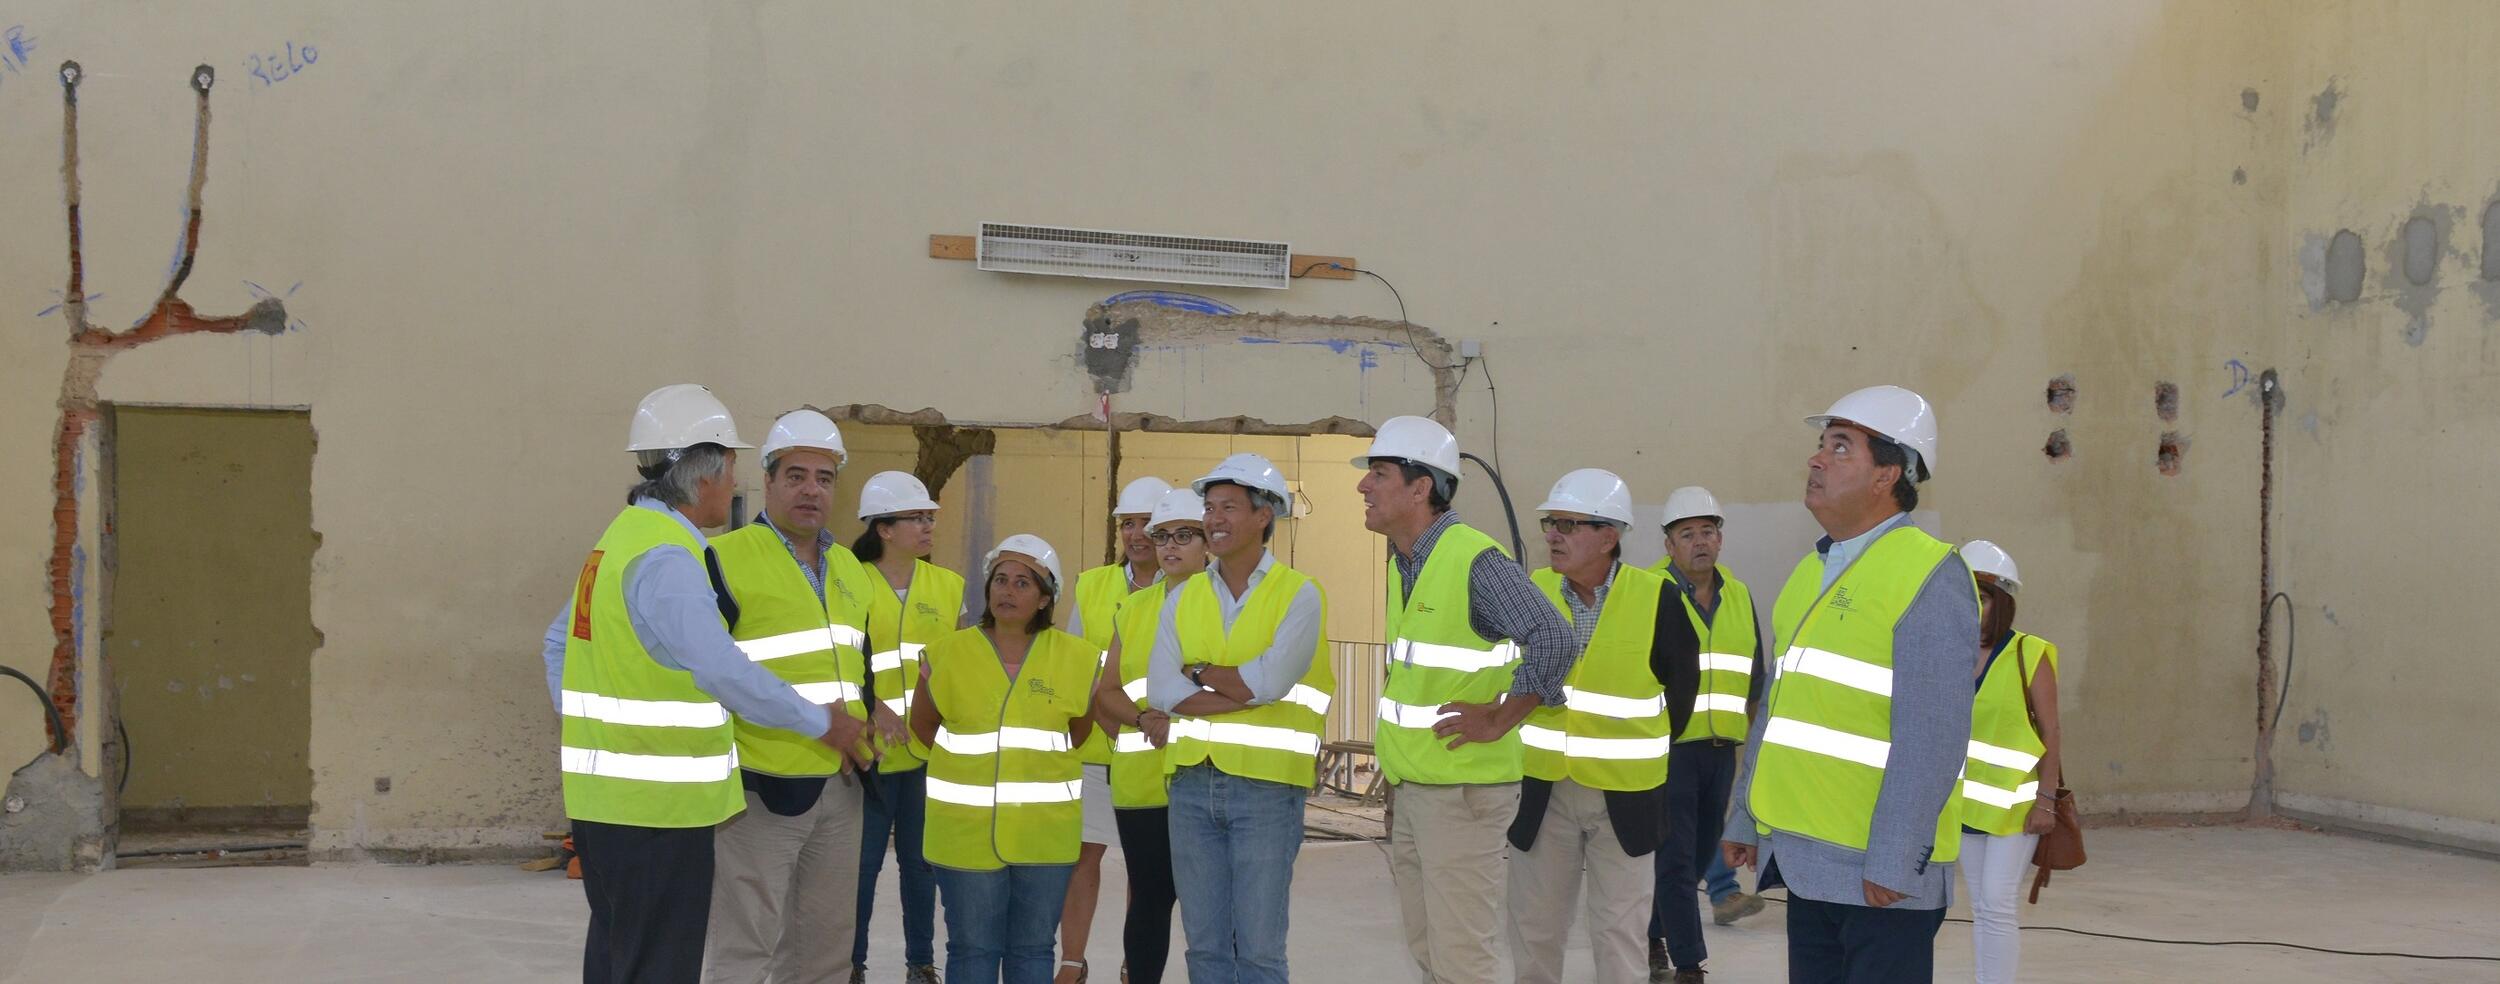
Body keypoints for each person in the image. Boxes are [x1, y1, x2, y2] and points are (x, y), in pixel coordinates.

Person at [544, 384, 867, 984]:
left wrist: (596, 734)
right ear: (710, 472)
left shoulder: (619, 540)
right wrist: (824, 721)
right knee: (659, 964)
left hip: (612, 804)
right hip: (659, 810)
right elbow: (721, 668)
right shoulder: (670, 558)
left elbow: (557, 643)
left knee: (619, 960)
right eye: (734, 466)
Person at [1722, 385, 1977, 984]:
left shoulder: (1929, 574)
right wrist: (1746, 817)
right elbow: (1777, 711)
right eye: (1820, 446)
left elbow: (1934, 737)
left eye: (1841, 448)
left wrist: (1895, 859)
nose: (1817, 460)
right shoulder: (1813, 568)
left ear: (1889, 473)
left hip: (1878, 874)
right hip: (1806, 858)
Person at [1353, 415, 1578, 984]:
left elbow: (1553, 636)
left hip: (1462, 793)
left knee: (1463, 960)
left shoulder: (1473, 559)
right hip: (1419, 788)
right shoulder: (1407, 565)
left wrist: (1503, 716)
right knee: (1431, 950)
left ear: (1420, 486)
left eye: (1378, 474)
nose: (1364, 487)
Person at [703, 409, 882, 983]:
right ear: (771, 481)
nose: (811, 490)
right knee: (747, 946)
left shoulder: (852, 569)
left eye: (824, 479)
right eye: (797, 475)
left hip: (841, 785)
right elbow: (706, 674)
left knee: (824, 951)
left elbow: (861, 673)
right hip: (758, 788)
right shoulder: (724, 559)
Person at [1505, 469, 1699, 984]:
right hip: (1542, 790)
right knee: (1534, 931)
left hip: (1627, 797)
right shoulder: (1531, 592)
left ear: (1609, 536)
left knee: (1620, 935)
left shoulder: (1658, 598)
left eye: (1568, 524)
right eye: (1551, 523)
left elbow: (1681, 695)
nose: (1552, 535)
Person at [1148, 454, 1333, 984]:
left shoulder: (1299, 594)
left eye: (1229, 507)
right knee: (1204, 949)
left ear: (1264, 516)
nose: (1214, 519)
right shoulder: (1182, 598)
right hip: (1189, 784)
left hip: (1267, 790)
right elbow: (1163, 690)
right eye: (1209, 508)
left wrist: (1200, 671)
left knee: (1258, 951)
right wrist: (1242, 690)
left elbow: (1270, 684)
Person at [914, 535, 1101, 984]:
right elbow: (923, 728)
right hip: (963, 836)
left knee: (1033, 951)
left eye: (1022, 583)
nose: (1007, 591)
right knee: (972, 951)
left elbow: (1078, 733)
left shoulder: (1078, 659)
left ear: (1044, 598)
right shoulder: (946, 654)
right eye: (1000, 580)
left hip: (1044, 836)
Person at [1644, 486, 1769, 983]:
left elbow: (1754, 676)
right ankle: (1690, 962)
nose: (1700, 542)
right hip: (1668, 747)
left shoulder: (1737, 594)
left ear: (1720, 539)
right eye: (1687, 534)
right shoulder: (1649, 591)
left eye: (1708, 532)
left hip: (1721, 752)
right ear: (1669, 544)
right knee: (1675, 857)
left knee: (1697, 857)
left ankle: (1651, 930)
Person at [850, 471, 963, 984]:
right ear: (884, 528)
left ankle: (921, 964)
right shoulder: (848, 582)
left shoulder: (947, 586)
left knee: (922, 868)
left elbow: (960, 662)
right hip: (866, 752)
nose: (927, 526)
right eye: (916, 518)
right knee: (862, 868)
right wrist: (872, 705)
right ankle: (850, 965)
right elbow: (836, 659)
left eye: (929, 518)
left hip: (926, 752)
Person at [1089, 487, 1204, 984]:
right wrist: (1143, 719)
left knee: (1209, 908)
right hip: (1140, 781)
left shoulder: (1227, 603)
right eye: (1161, 536)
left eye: (1183, 535)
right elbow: (1107, 692)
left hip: (1205, 775)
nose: (1168, 545)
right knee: (1149, 902)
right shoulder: (1133, 610)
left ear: (1208, 542)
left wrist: (1178, 718)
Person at [1059, 476, 1171, 983]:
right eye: (1128, 523)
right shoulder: (1094, 584)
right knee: (1084, 856)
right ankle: (1072, 963)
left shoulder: (1186, 587)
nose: (1137, 533)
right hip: (1097, 747)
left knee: (1145, 869)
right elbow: (1073, 663)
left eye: (1148, 523)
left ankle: (1134, 963)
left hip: (1154, 750)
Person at [1955, 540, 2063, 984]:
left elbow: (2051, 732)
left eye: (1980, 597)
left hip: (2016, 808)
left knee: (1997, 903)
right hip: (1963, 805)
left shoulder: (2028, 653)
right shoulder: (1948, 654)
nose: (1971, 607)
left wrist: (2047, 800)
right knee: (1981, 904)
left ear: (2001, 602)